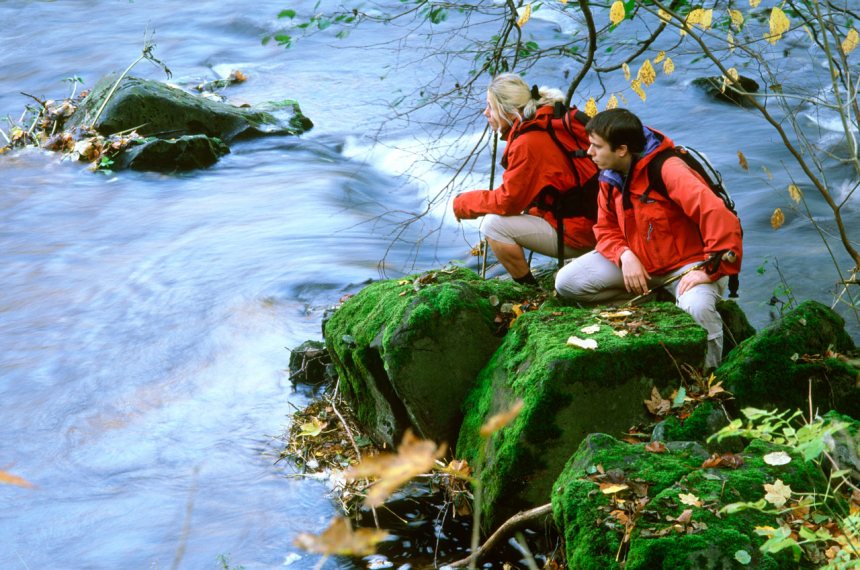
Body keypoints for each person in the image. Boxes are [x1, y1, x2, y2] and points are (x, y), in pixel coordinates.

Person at [555, 108, 743, 369]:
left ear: (621, 149)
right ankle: (653, 301)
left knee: (697, 310)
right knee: (567, 282)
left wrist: (709, 270)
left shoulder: (668, 170)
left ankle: (710, 374)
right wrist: (624, 255)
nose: (589, 152)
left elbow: (718, 216)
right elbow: (605, 228)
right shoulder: (609, 176)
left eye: (596, 146)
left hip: (689, 265)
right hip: (642, 263)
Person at [452, 74, 598, 286]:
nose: (486, 113)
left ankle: (528, 289)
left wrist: (462, 203)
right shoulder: (548, 122)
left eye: (490, 107)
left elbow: (507, 202)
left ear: (508, 111)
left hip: (581, 233)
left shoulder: (528, 142)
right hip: (596, 223)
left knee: (493, 226)